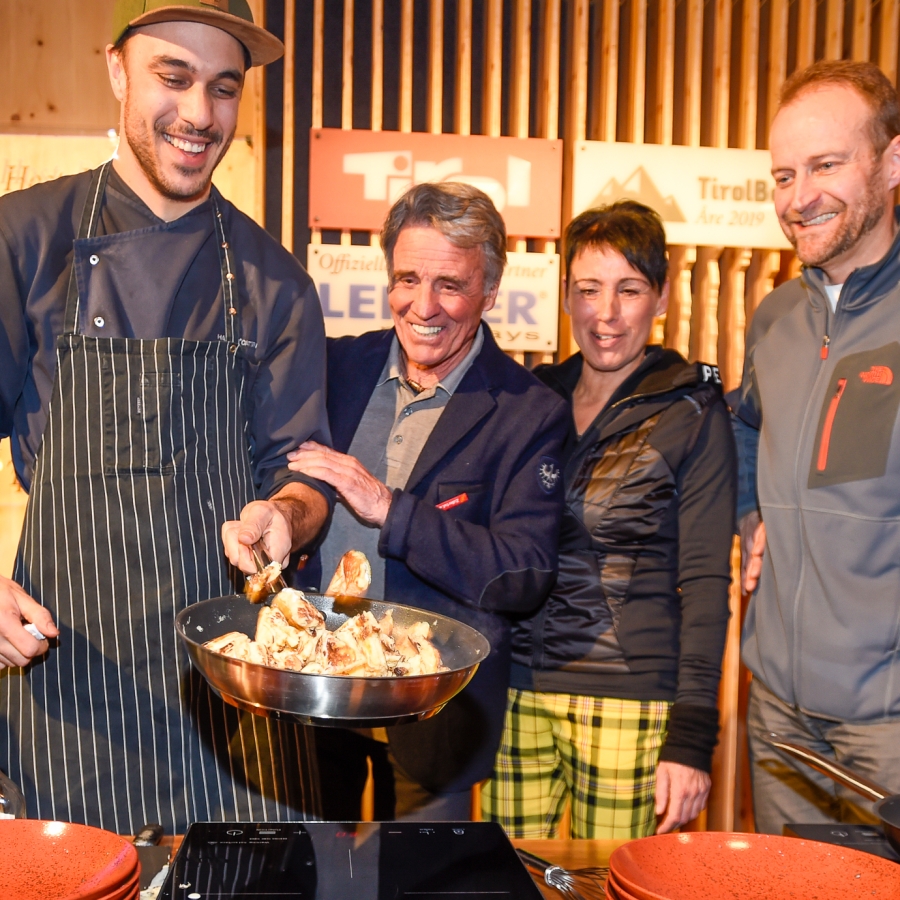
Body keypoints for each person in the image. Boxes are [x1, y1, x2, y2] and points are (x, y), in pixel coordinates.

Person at [0, 0, 332, 833]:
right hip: (71, 687)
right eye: (172, 77)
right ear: (117, 70)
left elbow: (304, 474)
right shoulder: (24, 238)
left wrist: (286, 514)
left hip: (236, 696)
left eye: (223, 87)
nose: (199, 113)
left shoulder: (276, 282)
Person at [287, 182, 569, 821]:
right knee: (307, 870)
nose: (424, 305)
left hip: (435, 714)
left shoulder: (529, 412)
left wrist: (391, 509)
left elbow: (522, 573)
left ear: (490, 291)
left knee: (421, 873)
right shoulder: (333, 367)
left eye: (450, 285)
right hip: (313, 693)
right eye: (407, 279)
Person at [483, 200, 736, 840]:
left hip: (631, 702)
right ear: (566, 296)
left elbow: (707, 583)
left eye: (629, 289)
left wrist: (691, 737)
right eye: (589, 289)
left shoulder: (691, 410)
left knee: (615, 883)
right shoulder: (534, 397)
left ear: (662, 297)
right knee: (507, 878)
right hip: (517, 692)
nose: (606, 313)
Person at [734, 59, 900, 834]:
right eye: (783, 175)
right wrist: (749, 513)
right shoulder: (773, 319)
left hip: (888, 726)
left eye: (826, 165)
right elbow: (744, 426)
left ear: (891, 163)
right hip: (778, 715)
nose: (798, 197)